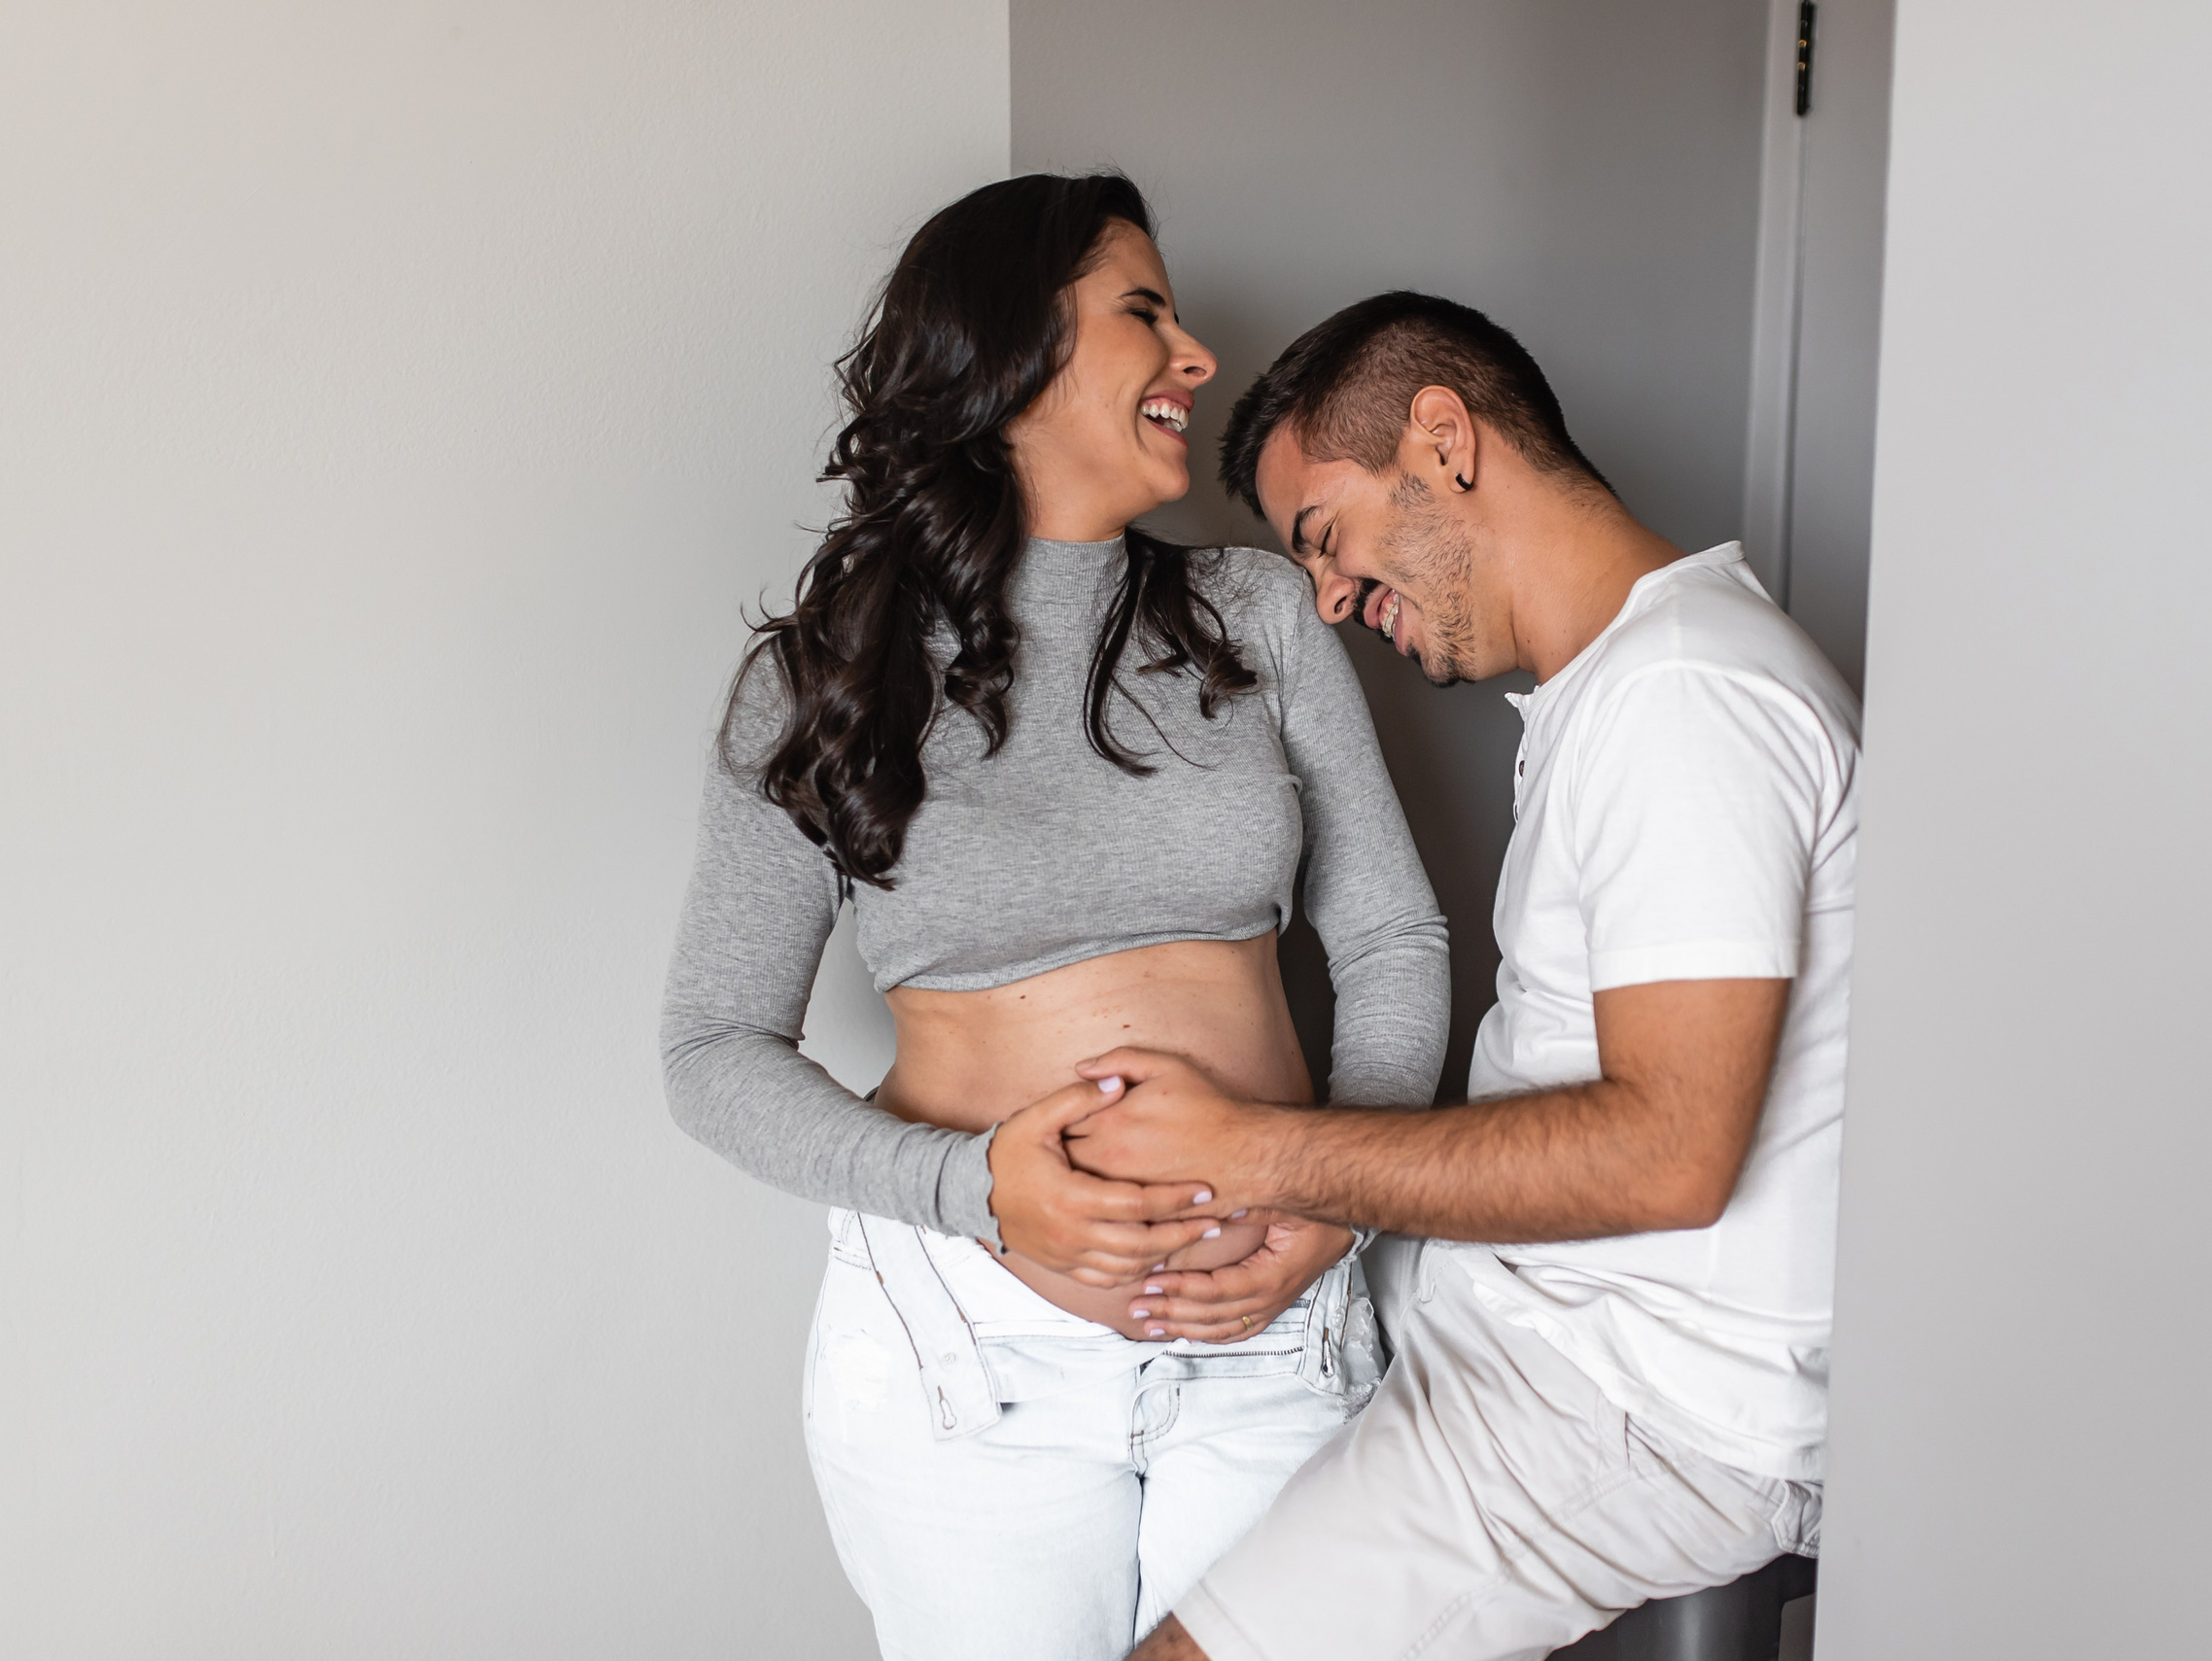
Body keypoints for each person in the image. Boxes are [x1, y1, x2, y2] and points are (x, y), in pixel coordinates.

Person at [657, 182, 1449, 1661]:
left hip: (1274, 1315)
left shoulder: (1258, 614)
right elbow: (712, 1047)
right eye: (1144, 311)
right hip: (970, 1349)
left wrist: (1333, 1196)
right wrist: (979, 1191)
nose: (1195, 353)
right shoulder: (823, 680)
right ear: (1011, 354)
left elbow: (1393, 943)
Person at [1062, 292, 1861, 1661]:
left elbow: (1669, 1153)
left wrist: (1263, 1155)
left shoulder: (1686, 701)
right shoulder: (1620, 689)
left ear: (1444, 438)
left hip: (1639, 1407)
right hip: (1545, 1339)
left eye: (1325, 535)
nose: (1325, 596)